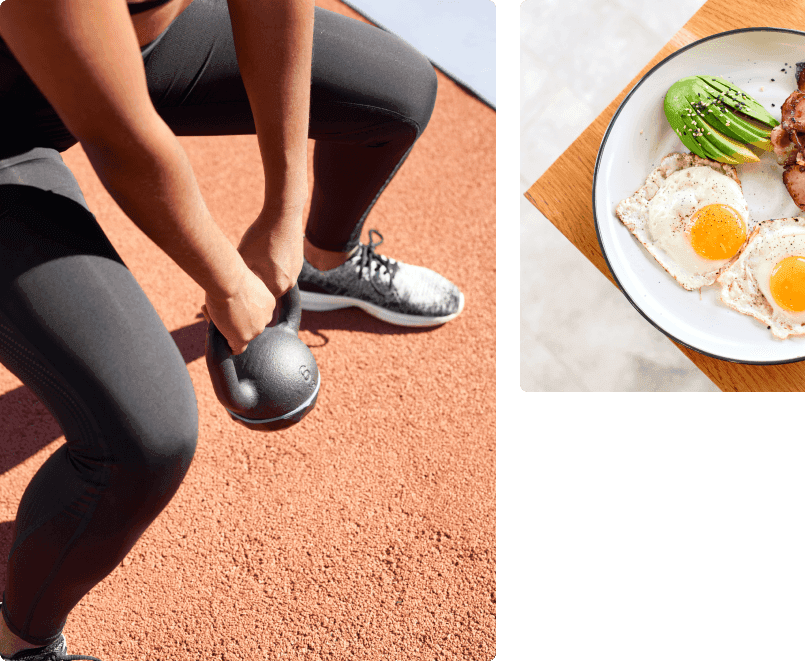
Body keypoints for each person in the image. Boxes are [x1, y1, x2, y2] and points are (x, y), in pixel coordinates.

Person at [0, 0, 463, 658]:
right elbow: (120, 138)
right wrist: (229, 282)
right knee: (145, 438)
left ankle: (325, 264)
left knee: (397, 94)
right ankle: (20, 639)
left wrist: (285, 209)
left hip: (128, 50)